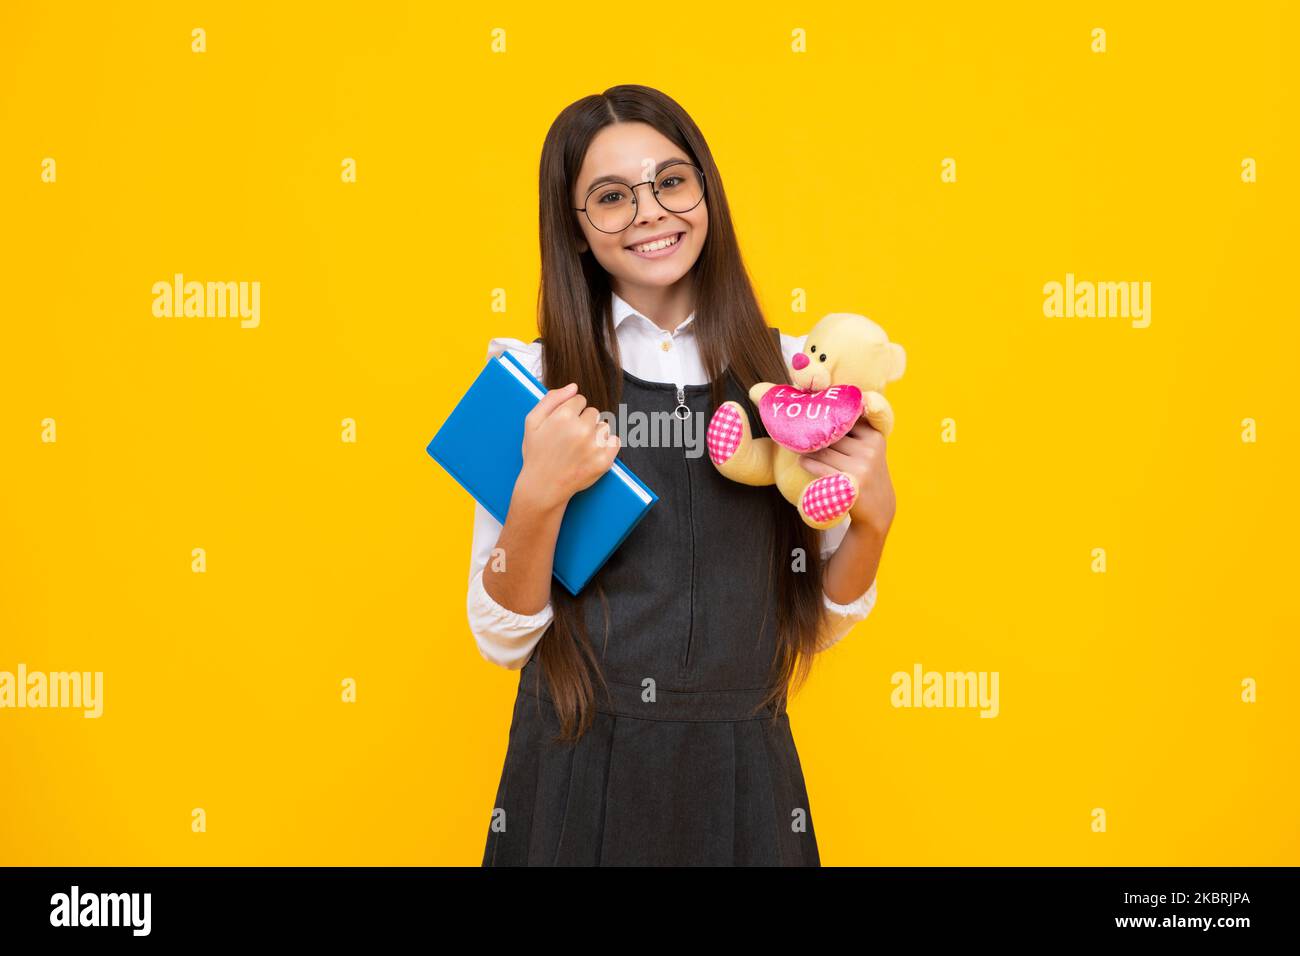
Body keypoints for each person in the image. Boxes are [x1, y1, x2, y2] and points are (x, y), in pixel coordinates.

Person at [468, 84, 895, 865]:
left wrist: (874, 519)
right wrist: (536, 495)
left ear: (706, 189)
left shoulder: (792, 373)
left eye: (671, 180)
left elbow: (821, 615)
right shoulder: (531, 379)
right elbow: (501, 634)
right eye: (610, 197)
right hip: (576, 768)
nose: (651, 213)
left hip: (742, 771)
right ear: (574, 229)